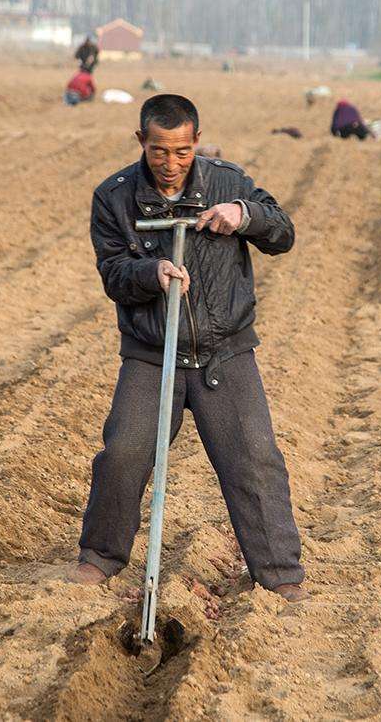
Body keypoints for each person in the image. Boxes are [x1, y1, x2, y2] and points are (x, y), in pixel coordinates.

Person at [70, 94, 308, 602]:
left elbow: (282, 232)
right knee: (124, 453)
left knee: (254, 459)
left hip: (224, 351)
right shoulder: (113, 197)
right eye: (159, 151)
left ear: (196, 142)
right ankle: (99, 558)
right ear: (142, 142)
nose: (171, 164)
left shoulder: (228, 181)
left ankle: (280, 573)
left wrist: (244, 215)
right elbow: (112, 273)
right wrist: (148, 274)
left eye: (181, 152)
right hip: (153, 354)